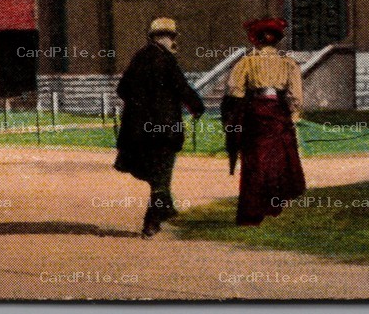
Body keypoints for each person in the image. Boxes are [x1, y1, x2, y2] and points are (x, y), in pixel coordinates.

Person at [113, 17, 204, 238]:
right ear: (170, 38)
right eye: (171, 37)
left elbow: (122, 89)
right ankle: (151, 222)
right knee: (162, 174)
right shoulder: (167, 60)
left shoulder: (139, 57)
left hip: (139, 131)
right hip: (163, 128)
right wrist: (198, 107)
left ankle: (167, 209)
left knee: (156, 173)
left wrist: (139, 107)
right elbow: (182, 88)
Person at [221, 17, 306, 226]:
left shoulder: (246, 62)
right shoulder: (288, 63)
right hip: (278, 113)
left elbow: (235, 90)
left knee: (254, 163)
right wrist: (293, 117)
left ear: (257, 40)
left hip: (255, 114)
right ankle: (272, 205)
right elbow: (295, 95)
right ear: (277, 40)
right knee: (277, 162)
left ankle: (251, 213)